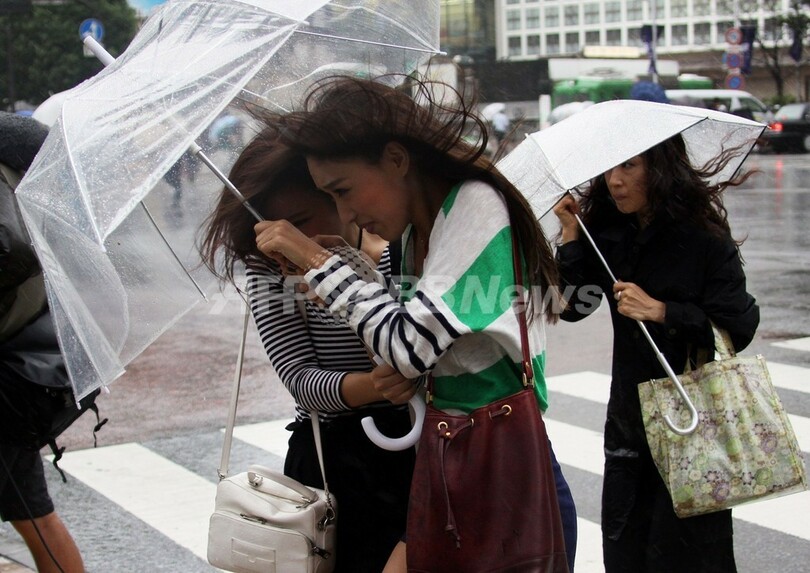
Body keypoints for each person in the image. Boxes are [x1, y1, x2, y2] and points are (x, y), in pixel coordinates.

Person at [247, 76, 578, 572]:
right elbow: (398, 348)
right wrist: (337, 277)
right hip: (447, 465)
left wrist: (318, 262)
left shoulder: (476, 206)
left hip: (503, 476)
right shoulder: (411, 236)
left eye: (343, 191)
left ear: (396, 159)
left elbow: (406, 346)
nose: (345, 213)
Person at [200, 127, 416, 573]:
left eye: (301, 219)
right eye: (275, 227)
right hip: (334, 459)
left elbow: (418, 339)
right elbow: (301, 382)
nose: (290, 238)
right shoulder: (269, 267)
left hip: (419, 445)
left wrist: (348, 276)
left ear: (334, 195)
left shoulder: (397, 249)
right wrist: (381, 385)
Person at [553, 134, 759, 572]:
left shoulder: (704, 239)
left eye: (628, 166)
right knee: (626, 549)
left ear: (661, 169)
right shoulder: (609, 235)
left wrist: (663, 311)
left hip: (694, 422)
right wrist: (571, 237)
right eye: (609, 169)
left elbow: (739, 325)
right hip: (629, 423)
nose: (615, 180)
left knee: (692, 554)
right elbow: (571, 307)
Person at [0, 111, 85, 572]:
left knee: (34, 514)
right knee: (34, 514)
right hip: (19, 366)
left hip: (7, 366)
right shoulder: (21, 168)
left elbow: (9, 255)